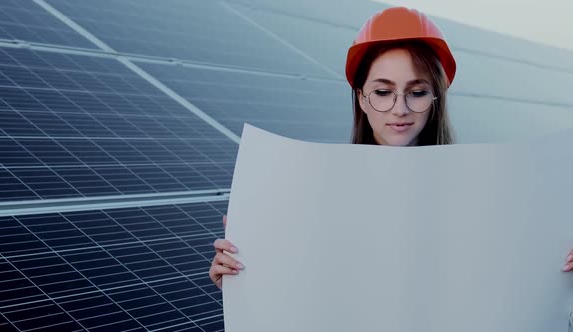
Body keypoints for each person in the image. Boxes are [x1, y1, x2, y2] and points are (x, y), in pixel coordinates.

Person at [209, 7, 573, 289]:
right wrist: (245, 280)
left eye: (416, 92)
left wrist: (556, 269)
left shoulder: (492, 194)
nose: (400, 108)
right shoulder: (310, 197)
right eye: (383, 92)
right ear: (362, 100)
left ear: (436, 99)